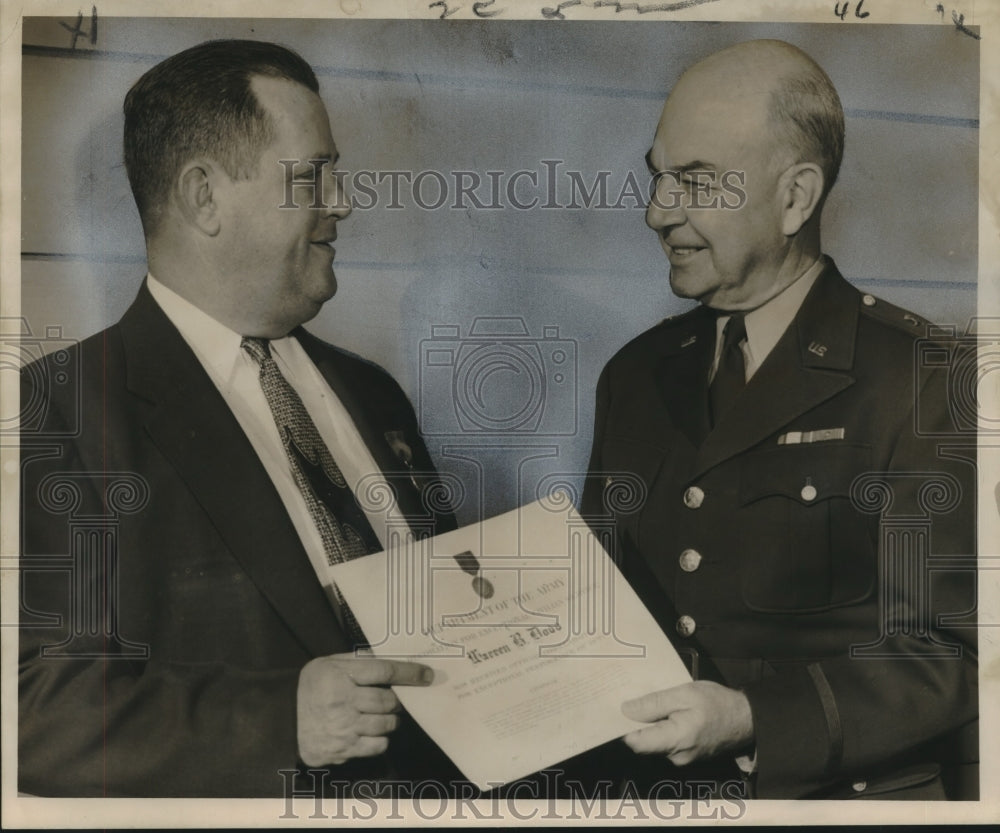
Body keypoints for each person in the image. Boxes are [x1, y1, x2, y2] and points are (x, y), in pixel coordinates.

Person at [18, 39, 460, 797]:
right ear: (203, 197)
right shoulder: (57, 415)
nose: (343, 202)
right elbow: (33, 710)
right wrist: (283, 720)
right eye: (312, 176)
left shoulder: (374, 394)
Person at [581, 39, 978, 800]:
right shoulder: (634, 375)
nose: (658, 212)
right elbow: (599, 610)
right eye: (658, 177)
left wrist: (754, 719)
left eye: (696, 182)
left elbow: (956, 653)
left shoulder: (927, 379)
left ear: (796, 197)